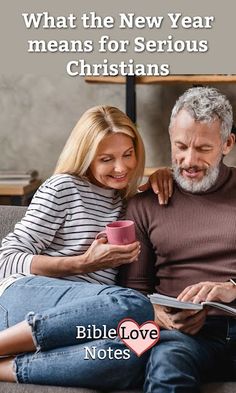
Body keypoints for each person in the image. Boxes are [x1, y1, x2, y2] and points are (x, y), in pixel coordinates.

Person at [0, 105, 172, 388]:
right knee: (134, 306)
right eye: (106, 159)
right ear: (86, 157)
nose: (121, 167)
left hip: (78, 320)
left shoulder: (125, 200)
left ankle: (8, 367)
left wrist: (165, 176)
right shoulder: (63, 188)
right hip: (20, 299)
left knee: (130, 357)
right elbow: (6, 259)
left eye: (128, 155)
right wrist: (82, 263)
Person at [119, 87, 236, 393]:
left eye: (203, 149)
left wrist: (230, 289)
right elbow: (133, 292)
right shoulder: (144, 203)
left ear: (227, 144)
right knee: (167, 365)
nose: (189, 160)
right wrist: (159, 316)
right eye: (181, 146)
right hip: (182, 337)